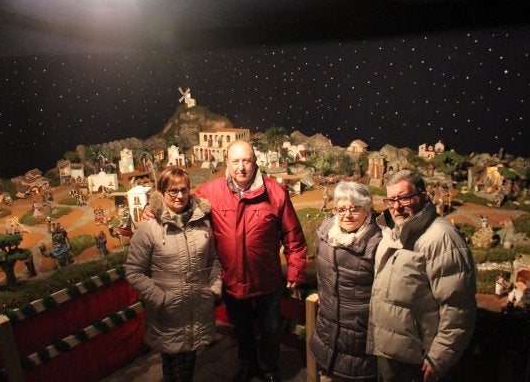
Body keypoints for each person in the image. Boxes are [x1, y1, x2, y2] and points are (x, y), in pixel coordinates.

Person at [143, 140, 307, 382]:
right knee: (242, 330)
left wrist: (296, 269)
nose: (241, 167)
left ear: (255, 162)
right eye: (235, 161)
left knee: (271, 330)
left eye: (246, 161)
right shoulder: (210, 193)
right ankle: (249, 366)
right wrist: (153, 206)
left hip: (266, 277)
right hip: (232, 279)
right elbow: (180, 202)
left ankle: (269, 369)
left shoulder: (275, 193)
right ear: (227, 163)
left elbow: (292, 234)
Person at [367, 169, 477, 382]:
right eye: (391, 200)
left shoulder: (442, 239)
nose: (396, 206)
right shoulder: (391, 231)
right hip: (389, 350)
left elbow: (457, 306)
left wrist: (440, 356)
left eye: (404, 198)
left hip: (417, 359)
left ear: (424, 197)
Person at [125, 167, 222, 382]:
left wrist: (213, 289)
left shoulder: (203, 222)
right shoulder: (149, 228)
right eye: (172, 191)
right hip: (169, 314)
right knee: (172, 369)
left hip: (198, 306)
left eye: (184, 189)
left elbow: (214, 260)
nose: (179, 196)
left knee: (189, 364)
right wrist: (161, 299)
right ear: (161, 192)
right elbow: (134, 271)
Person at [309, 182, 382, 381]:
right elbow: (320, 275)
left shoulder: (379, 242)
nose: (347, 215)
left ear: (367, 209)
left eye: (355, 208)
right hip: (327, 327)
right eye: (341, 209)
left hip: (359, 335)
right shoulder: (326, 233)